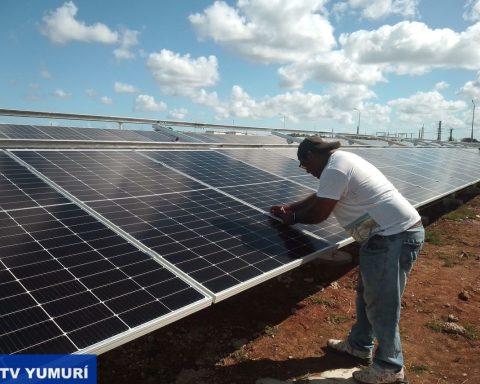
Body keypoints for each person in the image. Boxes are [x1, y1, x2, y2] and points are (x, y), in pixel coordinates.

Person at [270, 136, 424, 384]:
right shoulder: (340, 162)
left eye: (304, 164)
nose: (307, 171)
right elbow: (319, 196)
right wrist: (290, 207)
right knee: (368, 295)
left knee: (382, 304)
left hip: (392, 237)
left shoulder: (335, 168)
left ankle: (390, 368)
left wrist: (293, 217)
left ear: (311, 155)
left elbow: (319, 212)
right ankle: (359, 345)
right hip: (386, 236)